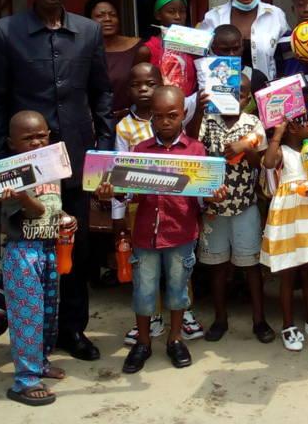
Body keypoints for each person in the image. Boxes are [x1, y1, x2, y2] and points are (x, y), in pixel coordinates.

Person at [0, 0, 113, 362]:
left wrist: (104, 152)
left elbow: (101, 94)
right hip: (26, 164)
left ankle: (72, 329)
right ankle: (33, 334)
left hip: (75, 159)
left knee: (75, 245)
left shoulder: (88, 32)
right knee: (28, 248)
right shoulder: (5, 33)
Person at [95, 86, 223, 373]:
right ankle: (143, 342)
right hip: (145, 235)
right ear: (151, 116)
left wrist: (212, 197)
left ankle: (175, 339)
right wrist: (113, 192)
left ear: (184, 114)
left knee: (178, 290)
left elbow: (202, 198)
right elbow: (130, 194)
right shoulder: (140, 150)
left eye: (172, 115)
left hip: (181, 233)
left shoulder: (196, 151)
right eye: (159, 116)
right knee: (144, 291)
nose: (165, 121)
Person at [185, 69, 275, 344]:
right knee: (217, 267)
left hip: (245, 206)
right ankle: (220, 319)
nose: (235, 98)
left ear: (248, 99)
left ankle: (259, 320)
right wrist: (199, 110)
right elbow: (192, 144)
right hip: (214, 208)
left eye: (241, 94)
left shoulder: (253, 123)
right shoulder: (208, 120)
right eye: (228, 93)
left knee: (251, 266)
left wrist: (243, 149)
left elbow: (259, 164)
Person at [0, 111, 65, 406]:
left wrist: (65, 218)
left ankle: (40, 362)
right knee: (27, 316)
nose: (37, 142)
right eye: (28, 138)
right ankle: (25, 381)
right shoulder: (9, 175)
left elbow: (52, 206)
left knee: (48, 312)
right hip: (22, 252)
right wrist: (23, 197)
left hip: (48, 247)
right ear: (12, 143)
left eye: (41, 135)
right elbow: (34, 211)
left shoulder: (53, 165)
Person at [260, 116, 308, 351]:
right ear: (292, 128)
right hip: (289, 216)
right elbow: (268, 163)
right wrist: (277, 133)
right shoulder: (282, 151)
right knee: (288, 272)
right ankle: (288, 325)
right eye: (305, 123)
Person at [200, 0, 289, 80]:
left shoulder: (275, 15)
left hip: (268, 87)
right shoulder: (213, 17)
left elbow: (287, 56)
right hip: (225, 87)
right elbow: (202, 57)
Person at [84, 0, 150, 116]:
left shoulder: (139, 48)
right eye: (100, 15)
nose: (108, 19)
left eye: (113, 15)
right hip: (97, 121)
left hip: (133, 119)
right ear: (88, 21)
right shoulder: (83, 51)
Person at [143, 0, 197, 98]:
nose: (178, 16)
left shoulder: (195, 46)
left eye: (182, 11)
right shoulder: (147, 50)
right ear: (158, 15)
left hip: (190, 106)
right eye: (171, 11)